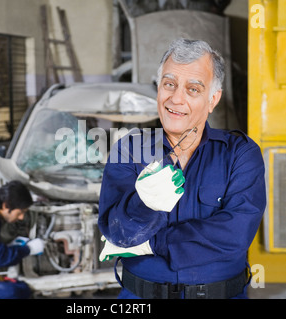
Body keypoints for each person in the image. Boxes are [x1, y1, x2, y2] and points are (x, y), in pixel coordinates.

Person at [98, 39, 266, 299]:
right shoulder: (129, 150)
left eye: (193, 89)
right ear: (158, 89)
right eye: (169, 84)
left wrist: (153, 243)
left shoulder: (240, 154)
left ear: (213, 99)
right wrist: (143, 204)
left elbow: (235, 235)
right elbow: (119, 233)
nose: (176, 98)